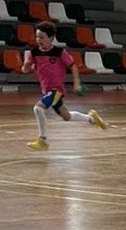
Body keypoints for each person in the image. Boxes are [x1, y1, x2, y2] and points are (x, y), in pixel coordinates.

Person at [21, 22, 108, 150]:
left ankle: (43, 141)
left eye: (42, 37)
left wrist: (76, 83)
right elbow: (25, 69)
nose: (38, 40)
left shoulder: (59, 52)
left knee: (38, 109)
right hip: (47, 90)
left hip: (56, 90)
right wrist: (26, 66)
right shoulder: (33, 53)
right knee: (67, 116)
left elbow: (72, 66)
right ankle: (92, 118)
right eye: (37, 37)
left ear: (51, 38)